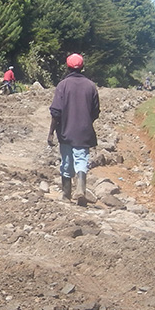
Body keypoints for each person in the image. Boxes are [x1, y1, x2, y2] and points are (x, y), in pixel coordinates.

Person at [47, 53, 100, 205]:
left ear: (68, 67)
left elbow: (56, 112)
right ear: (82, 67)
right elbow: (95, 111)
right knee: (81, 159)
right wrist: (85, 122)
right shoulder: (91, 85)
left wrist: (51, 132)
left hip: (65, 131)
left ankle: (66, 194)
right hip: (83, 132)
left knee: (66, 161)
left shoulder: (62, 85)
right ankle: (81, 189)